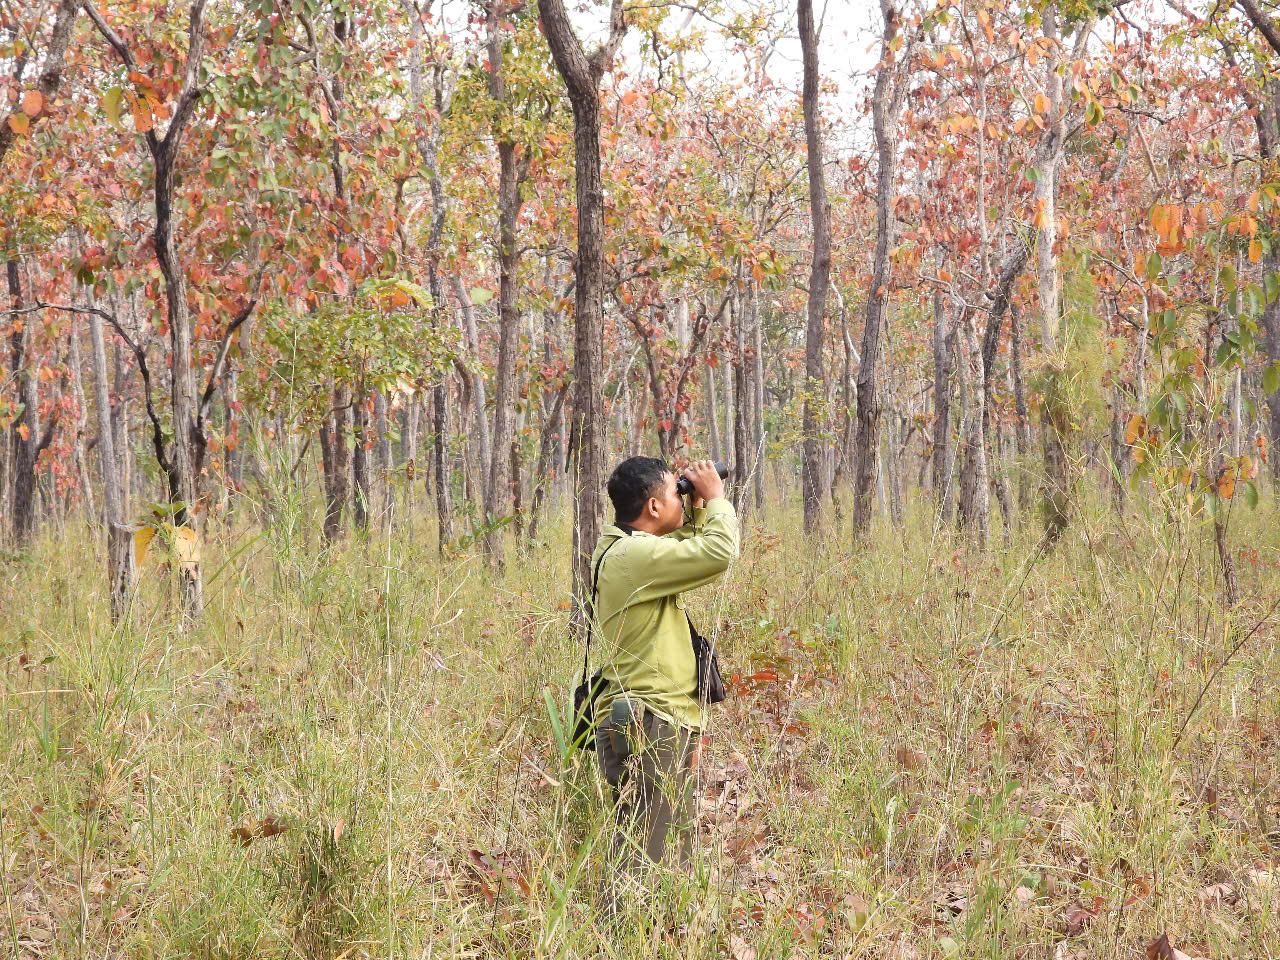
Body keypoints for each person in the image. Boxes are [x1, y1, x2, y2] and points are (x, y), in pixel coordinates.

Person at [589, 456, 739, 877]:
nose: (683, 497)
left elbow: (684, 550)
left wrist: (694, 505)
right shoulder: (632, 556)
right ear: (653, 507)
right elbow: (716, 553)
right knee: (645, 854)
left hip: (658, 716)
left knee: (668, 848)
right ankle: (618, 940)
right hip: (649, 720)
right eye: (676, 493)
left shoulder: (630, 549)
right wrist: (716, 500)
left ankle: (657, 940)